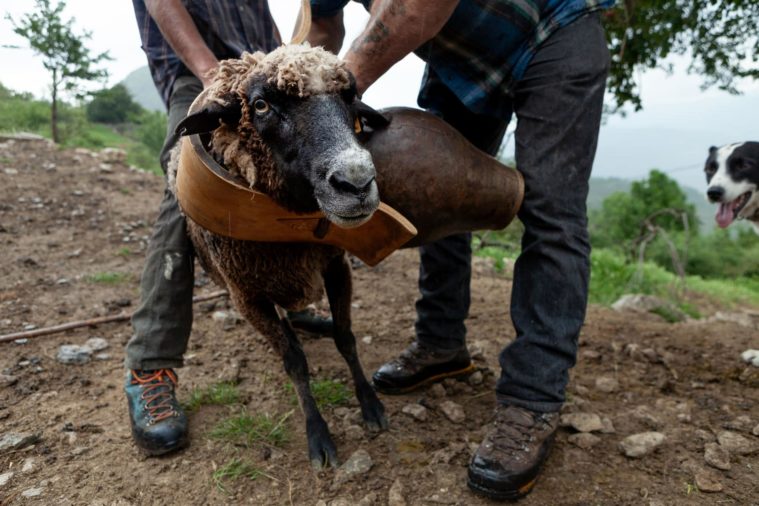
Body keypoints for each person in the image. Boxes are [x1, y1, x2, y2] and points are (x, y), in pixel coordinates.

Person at [307, 0, 614, 500]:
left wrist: (334, 92)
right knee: (440, 194)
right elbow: (322, 26)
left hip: (555, 33)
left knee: (550, 215)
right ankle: (441, 345)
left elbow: (417, 5)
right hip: (462, 59)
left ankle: (532, 400)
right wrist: (296, 88)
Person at [124, 0, 335, 456]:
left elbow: (265, 23)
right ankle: (150, 365)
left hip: (259, 72)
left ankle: (291, 300)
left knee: (291, 173)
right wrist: (207, 74)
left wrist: (282, 63)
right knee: (185, 186)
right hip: (195, 72)